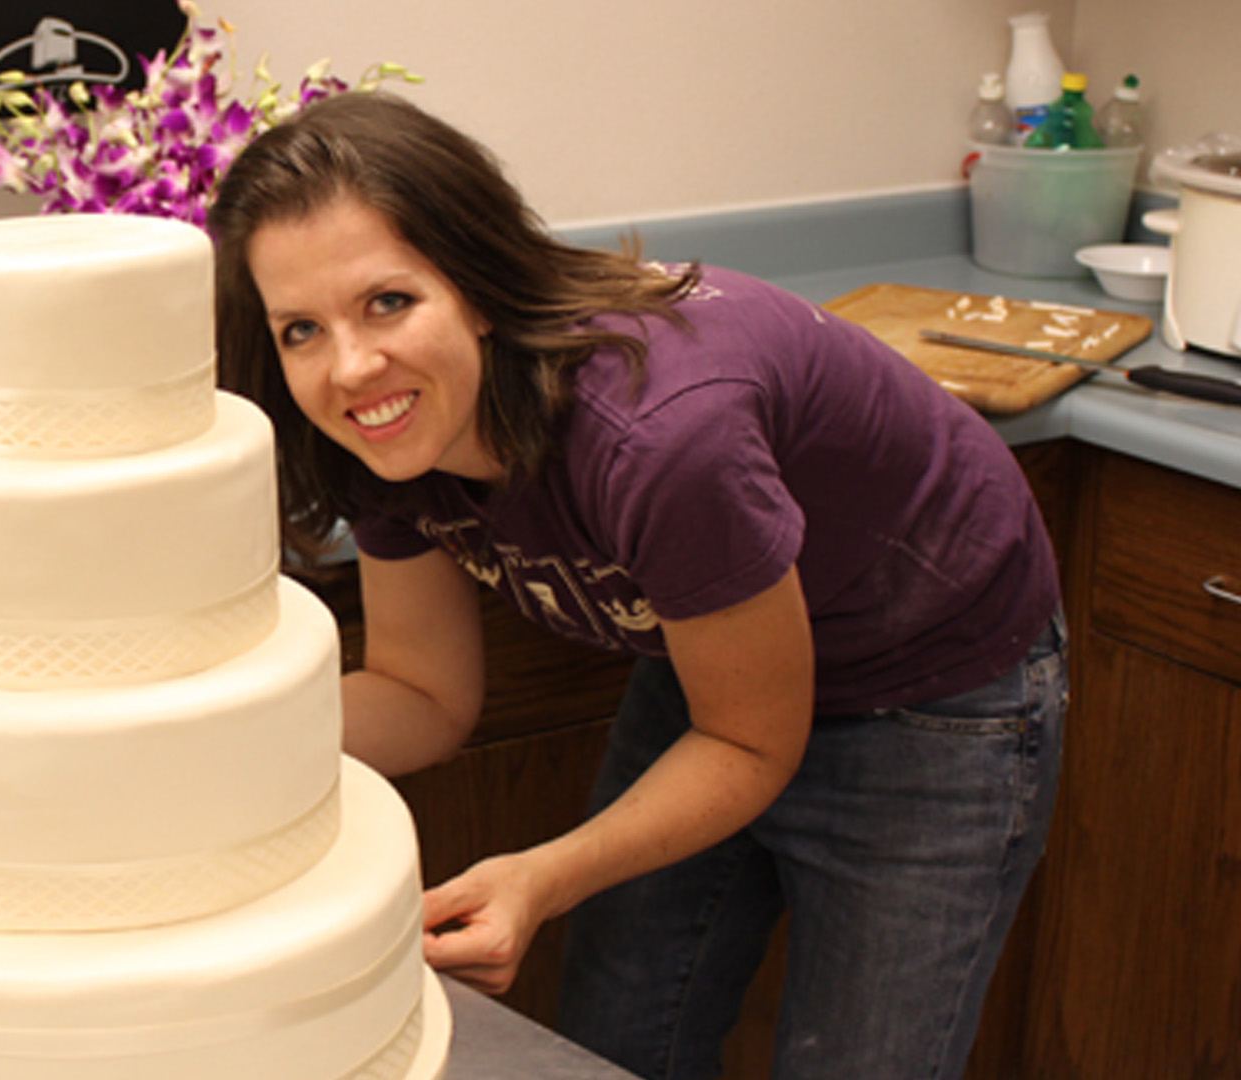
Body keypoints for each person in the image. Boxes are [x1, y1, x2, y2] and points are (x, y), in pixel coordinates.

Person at [208, 92, 1066, 1080]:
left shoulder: (662, 441)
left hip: (933, 680)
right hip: (716, 664)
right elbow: (424, 694)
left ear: (480, 287)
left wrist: (542, 876)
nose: (351, 366)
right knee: (614, 1041)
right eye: (300, 330)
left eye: (388, 301)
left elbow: (750, 740)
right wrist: (207, 753)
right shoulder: (385, 428)